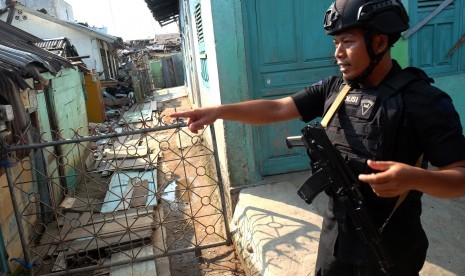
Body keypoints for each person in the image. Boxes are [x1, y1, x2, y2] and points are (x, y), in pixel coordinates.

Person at [170, 0, 465, 275]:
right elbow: (276, 108)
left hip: (392, 250)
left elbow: (460, 176)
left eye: (348, 42)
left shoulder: (423, 100)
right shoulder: (335, 89)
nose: (337, 53)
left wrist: (414, 178)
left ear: (380, 42)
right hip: (335, 242)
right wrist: (219, 112)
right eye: (336, 43)